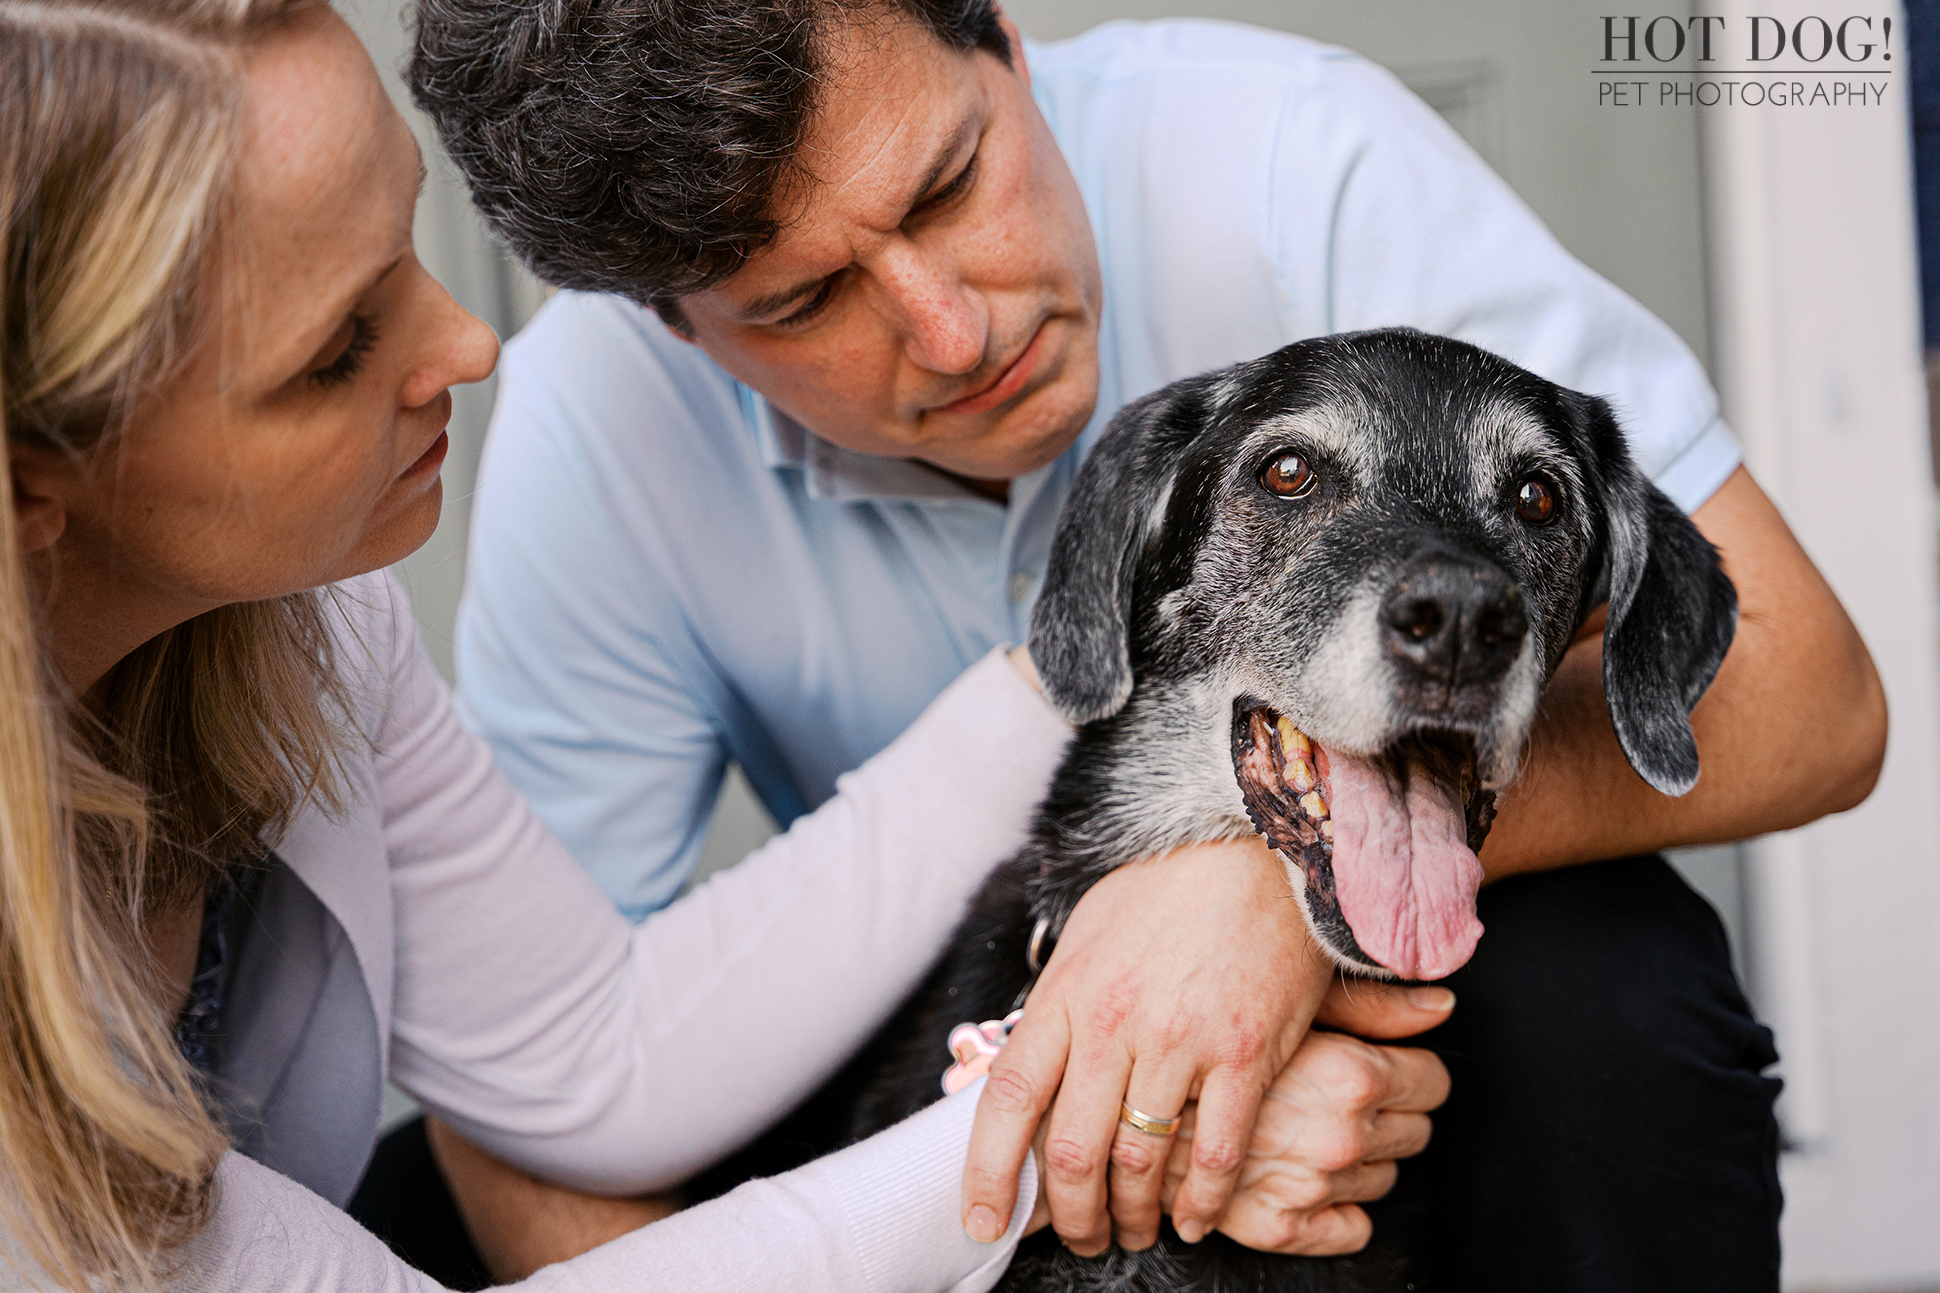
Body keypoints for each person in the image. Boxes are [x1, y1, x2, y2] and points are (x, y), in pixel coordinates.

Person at [405, 2, 1888, 1289]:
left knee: (1607, 994)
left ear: (1001, 41)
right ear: (676, 327)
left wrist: (1258, 869)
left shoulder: (1297, 161)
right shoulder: (592, 426)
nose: (948, 328)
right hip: (936, 1033)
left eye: (949, 184)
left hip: (1425, 962)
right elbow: (525, 1081)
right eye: (804, 301)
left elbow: (1812, 691)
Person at [0, 2, 1456, 1289]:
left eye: (404, 240)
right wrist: (1106, 1115)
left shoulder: (315, 611)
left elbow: (590, 1052)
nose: (466, 346)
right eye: (333, 350)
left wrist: (1088, 691)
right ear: (35, 485)